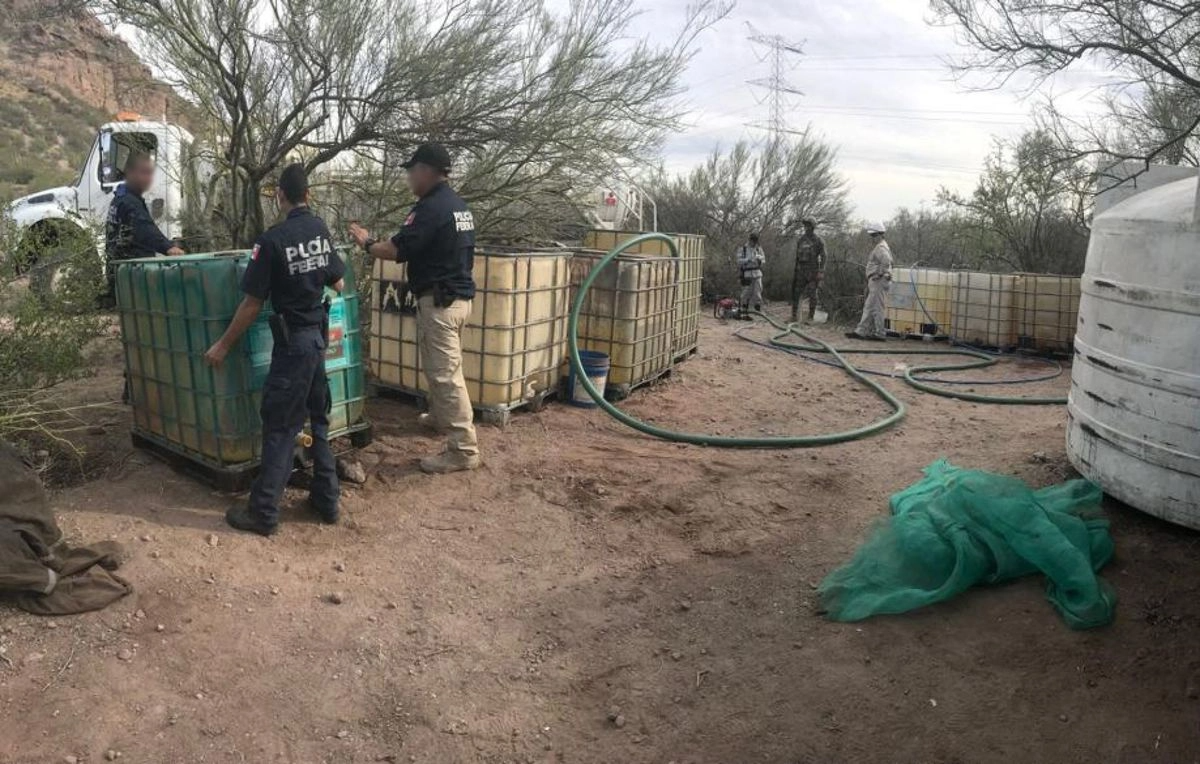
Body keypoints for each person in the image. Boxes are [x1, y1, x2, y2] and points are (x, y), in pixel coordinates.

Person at [203, 164, 344, 536]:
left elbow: (252, 304)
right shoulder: (320, 230)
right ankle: (327, 500)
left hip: (294, 346)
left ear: (280, 196)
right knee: (318, 419)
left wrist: (222, 345)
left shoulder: (271, 241)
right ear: (308, 195)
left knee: (281, 424)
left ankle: (263, 512)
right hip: (318, 341)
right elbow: (339, 282)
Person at [348, 143, 481, 475]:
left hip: (441, 303)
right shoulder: (458, 205)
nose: (409, 177)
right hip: (457, 299)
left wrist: (366, 242)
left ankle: (463, 449)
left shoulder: (431, 208)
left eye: (411, 170)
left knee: (446, 375)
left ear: (426, 170)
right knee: (440, 366)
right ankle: (440, 417)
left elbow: (396, 250)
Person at [104, 152, 185, 303]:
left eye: (150, 173)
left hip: (122, 273)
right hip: (132, 274)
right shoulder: (129, 202)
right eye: (144, 173)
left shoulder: (121, 197)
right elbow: (144, 230)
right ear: (130, 173)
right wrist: (168, 248)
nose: (148, 178)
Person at [847, 222, 893, 341]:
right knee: (869, 307)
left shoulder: (881, 248)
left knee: (877, 308)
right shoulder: (881, 246)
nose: (872, 238)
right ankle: (861, 331)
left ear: (880, 234)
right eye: (872, 235)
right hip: (877, 281)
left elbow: (886, 261)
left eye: (874, 235)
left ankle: (879, 333)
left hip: (879, 281)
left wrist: (879, 274)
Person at [791, 218, 826, 323]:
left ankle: (810, 317)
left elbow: (824, 256)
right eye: (805, 225)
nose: (806, 227)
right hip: (801, 271)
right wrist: (796, 271)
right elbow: (797, 257)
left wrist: (821, 271)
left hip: (812, 271)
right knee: (796, 293)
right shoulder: (801, 240)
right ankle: (794, 316)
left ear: (813, 226)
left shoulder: (818, 240)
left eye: (808, 225)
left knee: (813, 294)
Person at [736, 233, 766, 315]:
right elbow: (738, 261)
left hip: (757, 273)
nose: (754, 243)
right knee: (746, 292)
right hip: (747, 273)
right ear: (750, 240)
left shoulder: (759, 249)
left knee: (758, 291)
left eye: (755, 241)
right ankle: (744, 307)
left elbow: (763, 260)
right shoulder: (743, 249)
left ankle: (757, 307)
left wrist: (759, 259)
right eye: (752, 241)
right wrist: (748, 260)